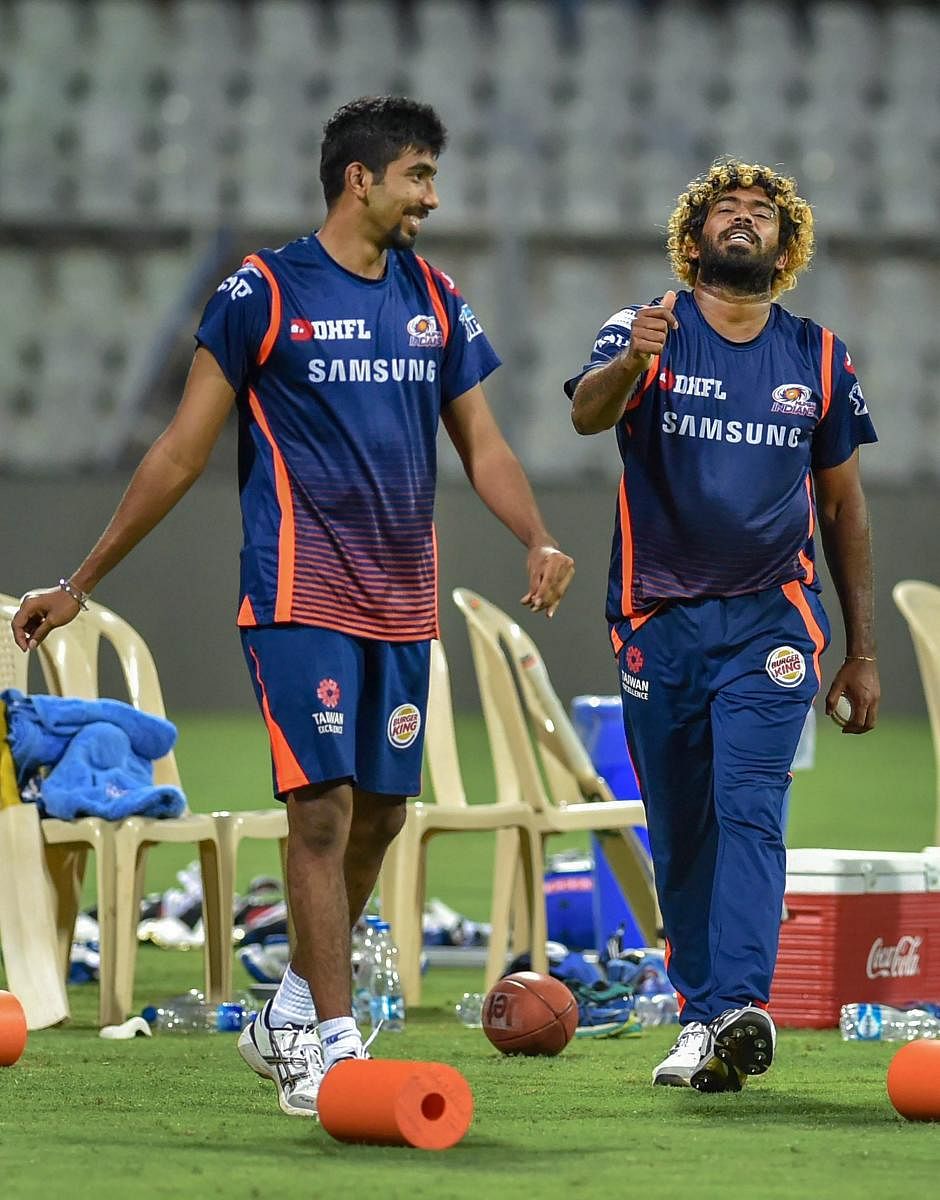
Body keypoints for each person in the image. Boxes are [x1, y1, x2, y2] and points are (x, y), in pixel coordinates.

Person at [12, 96, 574, 1116]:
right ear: (359, 179)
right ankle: (330, 1041)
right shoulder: (261, 291)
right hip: (297, 593)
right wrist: (80, 579)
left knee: (383, 814)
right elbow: (182, 449)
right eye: (417, 177)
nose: (431, 199)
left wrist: (532, 533)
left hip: (401, 603)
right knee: (318, 812)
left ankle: (285, 1009)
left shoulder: (435, 297)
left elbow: (482, 443)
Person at [565, 158, 878, 1093]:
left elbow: (845, 510)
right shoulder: (645, 326)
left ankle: (740, 1005)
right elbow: (586, 417)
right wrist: (631, 363)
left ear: (786, 247)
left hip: (772, 622)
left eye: (762, 214)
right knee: (685, 827)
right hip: (657, 620)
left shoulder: (817, 355)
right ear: (693, 237)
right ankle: (703, 1020)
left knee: (750, 805)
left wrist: (861, 651)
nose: (743, 220)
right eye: (724, 210)